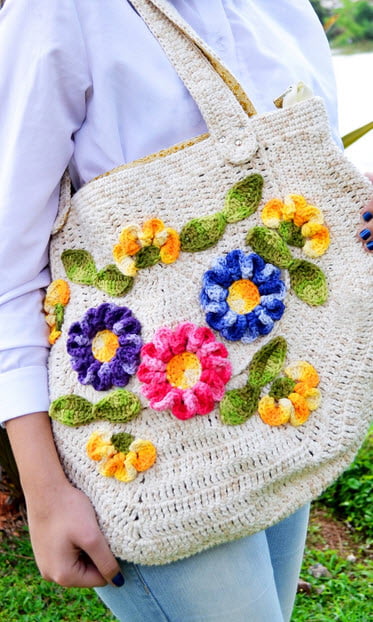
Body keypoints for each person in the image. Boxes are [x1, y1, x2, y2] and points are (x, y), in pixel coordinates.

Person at [0, 1, 370, 621]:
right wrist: (43, 491)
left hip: (278, 407)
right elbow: (7, 267)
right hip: (144, 452)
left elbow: (290, 174)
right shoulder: (59, 10)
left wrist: (350, 199)